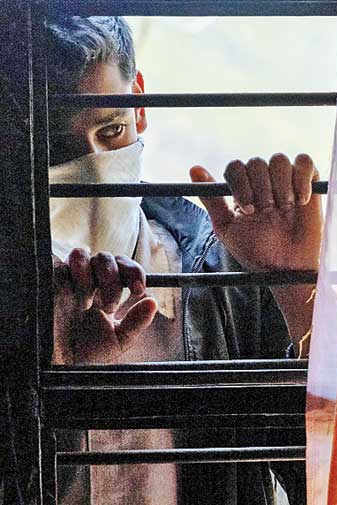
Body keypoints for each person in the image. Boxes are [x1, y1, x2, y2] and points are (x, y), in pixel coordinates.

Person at [21, 15, 320, 505]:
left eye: (111, 129)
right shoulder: (17, 311)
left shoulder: (226, 284)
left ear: (139, 104)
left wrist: (296, 288)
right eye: (55, 148)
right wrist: (60, 392)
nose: (94, 165)